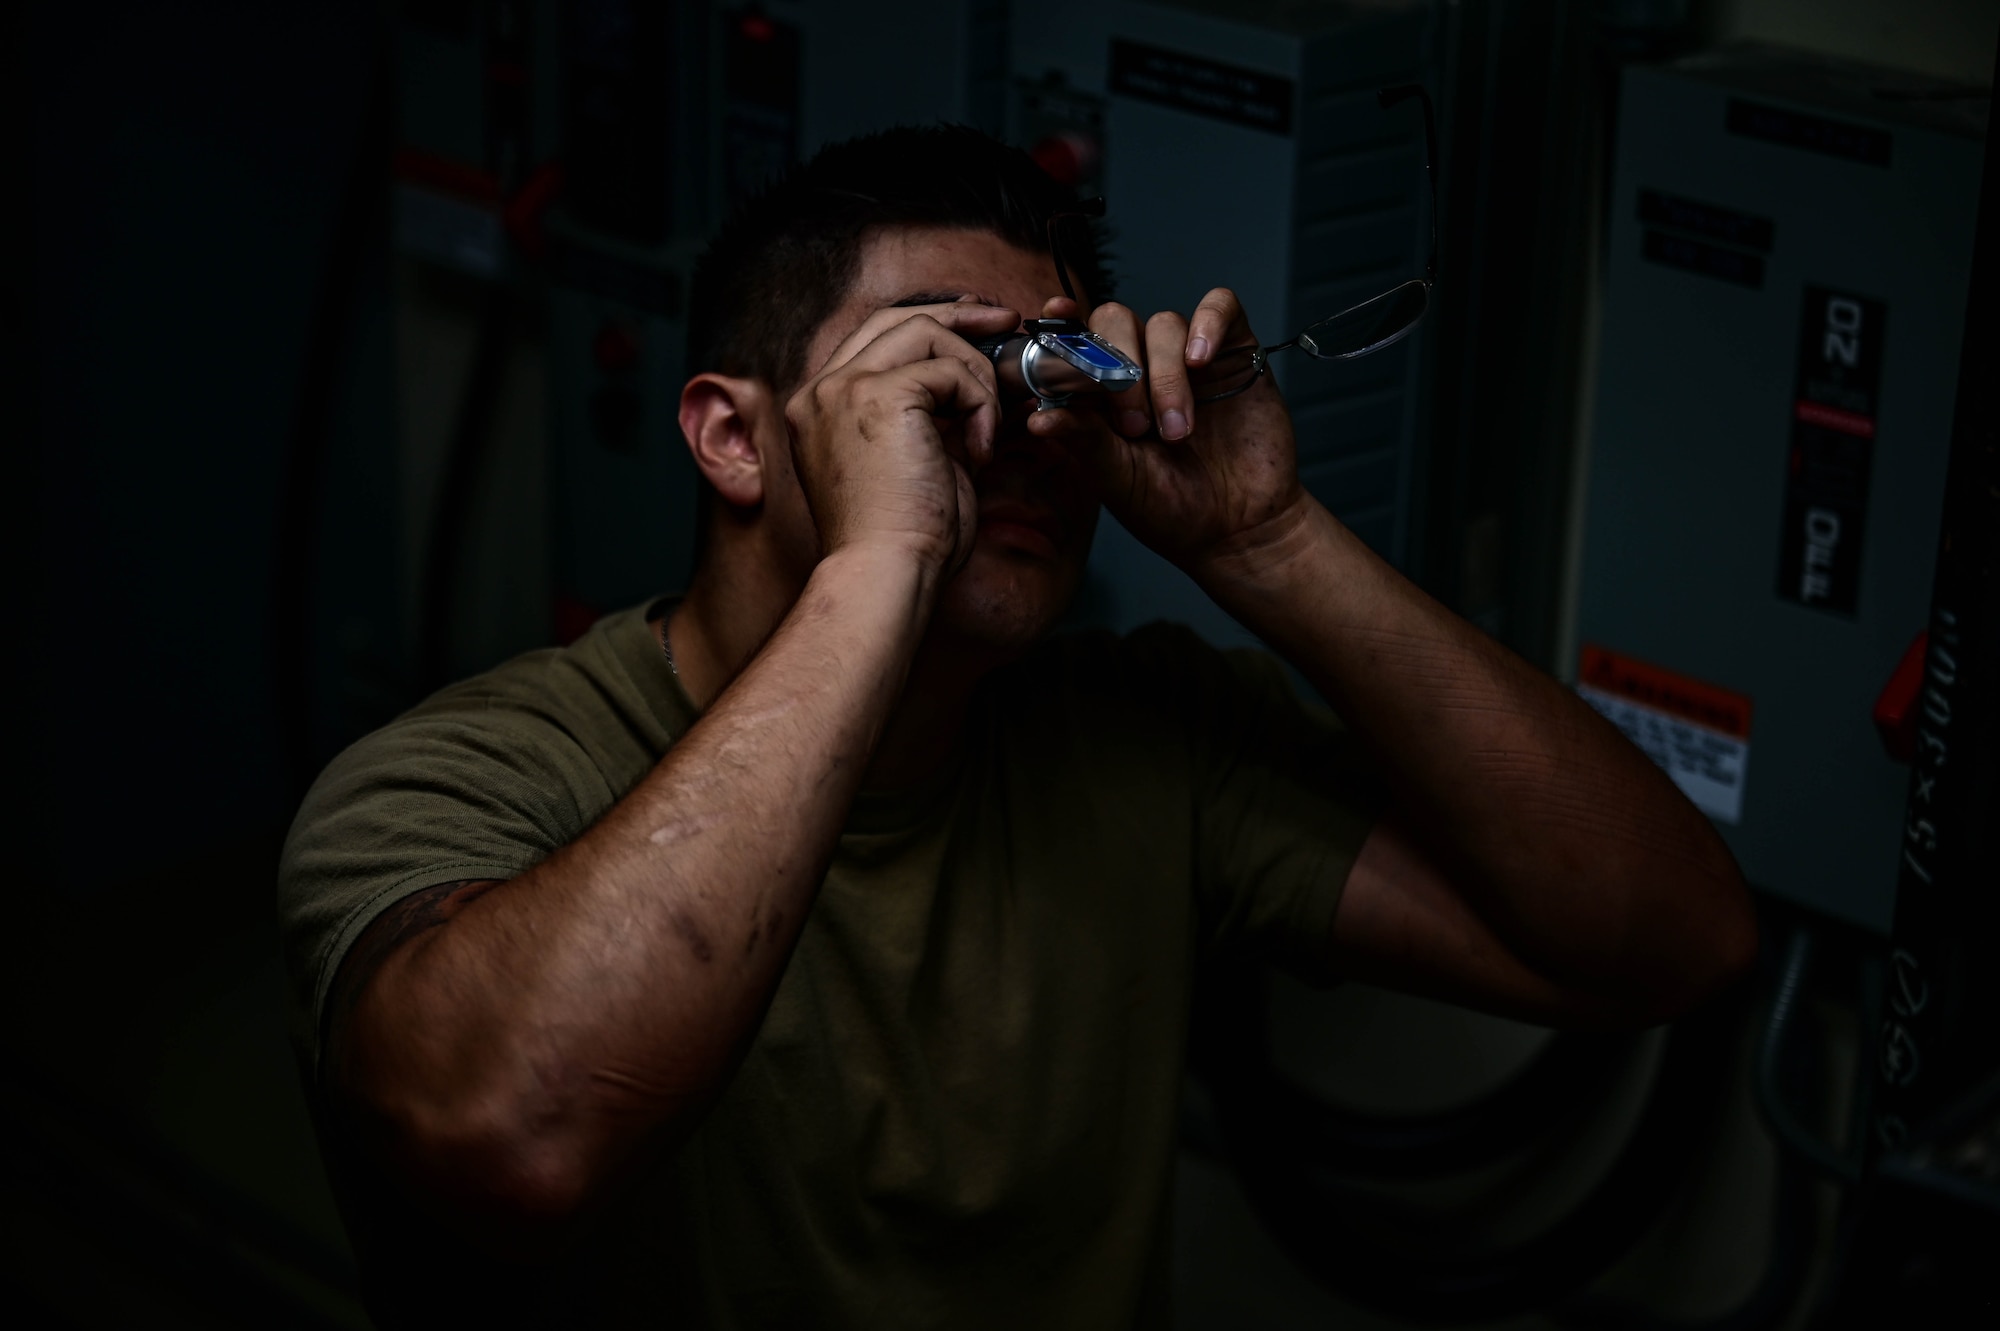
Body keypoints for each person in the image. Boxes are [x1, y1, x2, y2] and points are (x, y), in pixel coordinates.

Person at [279, 125, 1754, 1327]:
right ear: (736, 437)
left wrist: (1269, 542)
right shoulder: (459, 780)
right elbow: (517, 1138)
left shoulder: (1142, 739)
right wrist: (878, 565)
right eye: (939, 369)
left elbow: (1668, 941)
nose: (1015, 429)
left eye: (1048, 376)